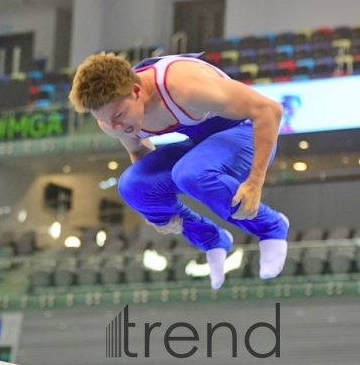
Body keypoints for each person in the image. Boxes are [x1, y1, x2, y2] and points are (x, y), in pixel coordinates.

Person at [69, 52, 289, 290]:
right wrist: (154, 209)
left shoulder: (182, 85)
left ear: (136, 90)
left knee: (189, 173)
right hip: (202, 147)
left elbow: (270, 110)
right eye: (104, 120)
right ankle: (211, 238)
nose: (115, 127)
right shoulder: (112, 120)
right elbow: (141, 156)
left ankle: (271, 226)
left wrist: (255, 182)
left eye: (119, 115)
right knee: (131, 186)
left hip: (247, 136)